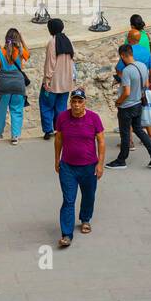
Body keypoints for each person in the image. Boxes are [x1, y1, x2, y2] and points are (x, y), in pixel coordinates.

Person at [54, 88, 105, 248]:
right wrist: (57, 159)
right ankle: (66, 234)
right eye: (74, 101)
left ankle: (85, 219)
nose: (76, 105)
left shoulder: (94, 118)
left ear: (85, 103)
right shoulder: (63, 117)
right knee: (68, 200)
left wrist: (100, 164)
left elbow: (101, 141)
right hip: (68, 167)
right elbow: (58, 139)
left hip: (89, 166)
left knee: (89, 195)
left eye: (79, 101)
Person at [108, 43, 151, 170]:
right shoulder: (142, 66)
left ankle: (121, 160)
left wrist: (118, 102)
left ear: (122, 56)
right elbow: (146, 84)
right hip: (138, 104)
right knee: (139, 130)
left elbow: (126, 92)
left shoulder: (127, 71)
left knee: (125, 134)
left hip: (126, 107)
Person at [39, 18, 75, 140]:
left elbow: (50, 63)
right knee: (61, 107)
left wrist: (47, 79)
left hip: (53, 82)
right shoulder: (68, 40)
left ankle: (48, 130)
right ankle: (60, 129)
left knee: (46, 105)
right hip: (66, 82)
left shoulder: (52, 42)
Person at [0, 28, 29, 144]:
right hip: (18, 84)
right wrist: (22, 40)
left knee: (0, 109)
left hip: (3, 85)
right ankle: (15, 136)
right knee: (17, 110)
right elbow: (28, 54)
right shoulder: (21, 52)